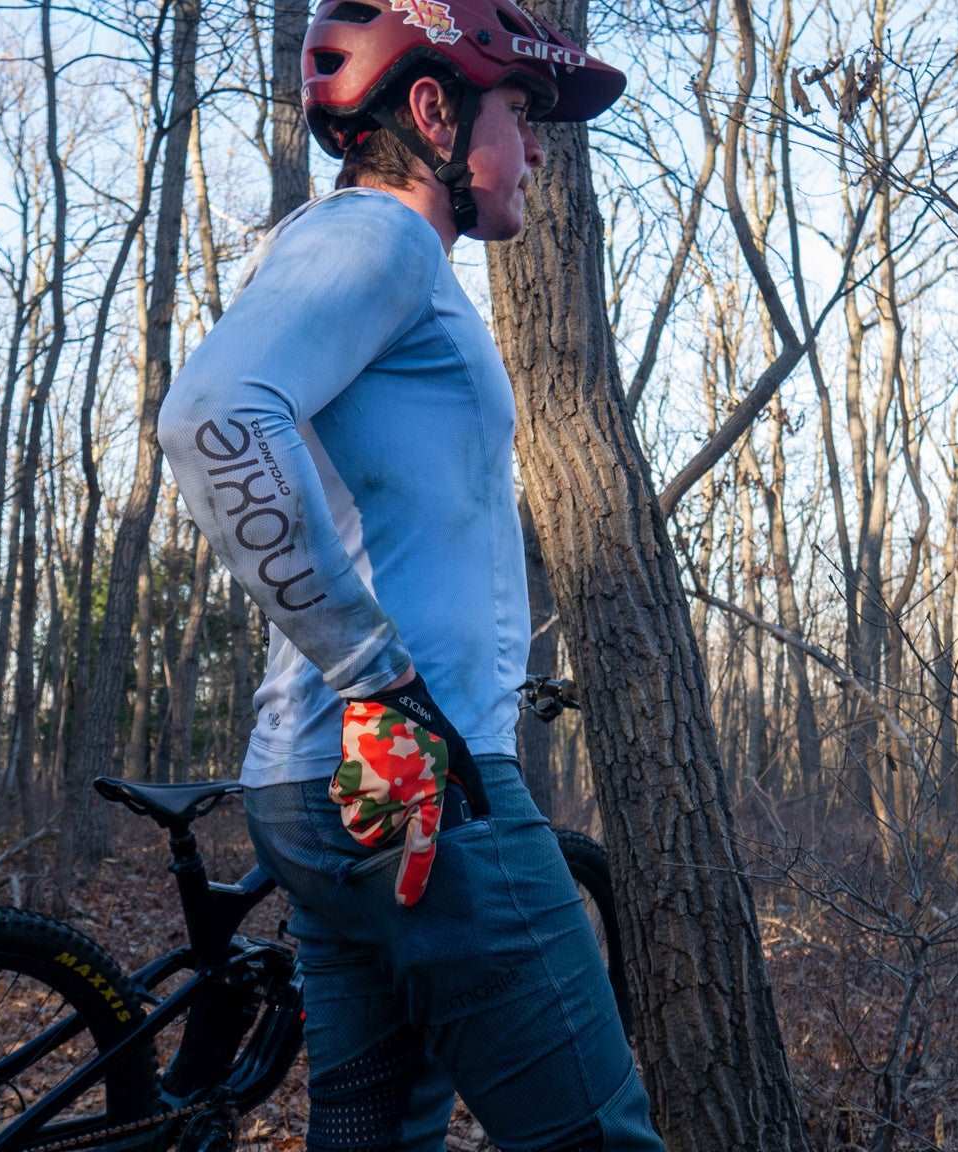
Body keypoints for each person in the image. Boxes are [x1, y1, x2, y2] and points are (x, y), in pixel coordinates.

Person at [157, 0, 662, 1147]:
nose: (536, 147)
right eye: (519, 113)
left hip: (323, 790)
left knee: (374, 1133)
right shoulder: (375, 237)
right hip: (416, 782)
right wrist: (374, 671)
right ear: (431, 108)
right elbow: (210, 416)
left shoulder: (366, 262)